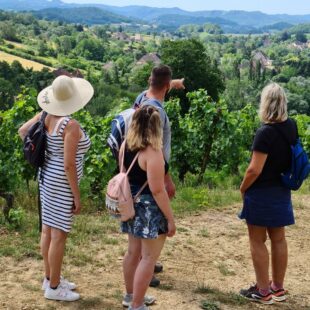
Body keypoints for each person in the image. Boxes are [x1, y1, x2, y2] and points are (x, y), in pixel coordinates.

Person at [18, 75, 94, 302]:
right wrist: (76, 195)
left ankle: (50, 277)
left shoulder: (45, 114)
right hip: (61, 184)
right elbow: (69, 165)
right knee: (59, 235)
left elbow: (23, 132)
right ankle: (53, 287)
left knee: (48, 231)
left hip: (46, 178)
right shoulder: (70, 125)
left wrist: (47, 153)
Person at [239, 83, 297, 305]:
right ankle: (278, 288)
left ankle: (263, 292)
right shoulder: (290, 126)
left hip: (261, 192)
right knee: (279, 239)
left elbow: (255, 169)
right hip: (282, 191)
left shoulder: (265, 133)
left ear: (265, 103)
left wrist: (243, 187)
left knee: (257, 240)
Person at [120, 105, 176, 310]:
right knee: (149, 258)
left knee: (132, 253)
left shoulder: (125, 145)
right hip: (148, 209)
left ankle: (131, 296)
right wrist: (170, 218)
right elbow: (157, 190)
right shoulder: (153, 153)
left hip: (130, 205)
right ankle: (137, 305)